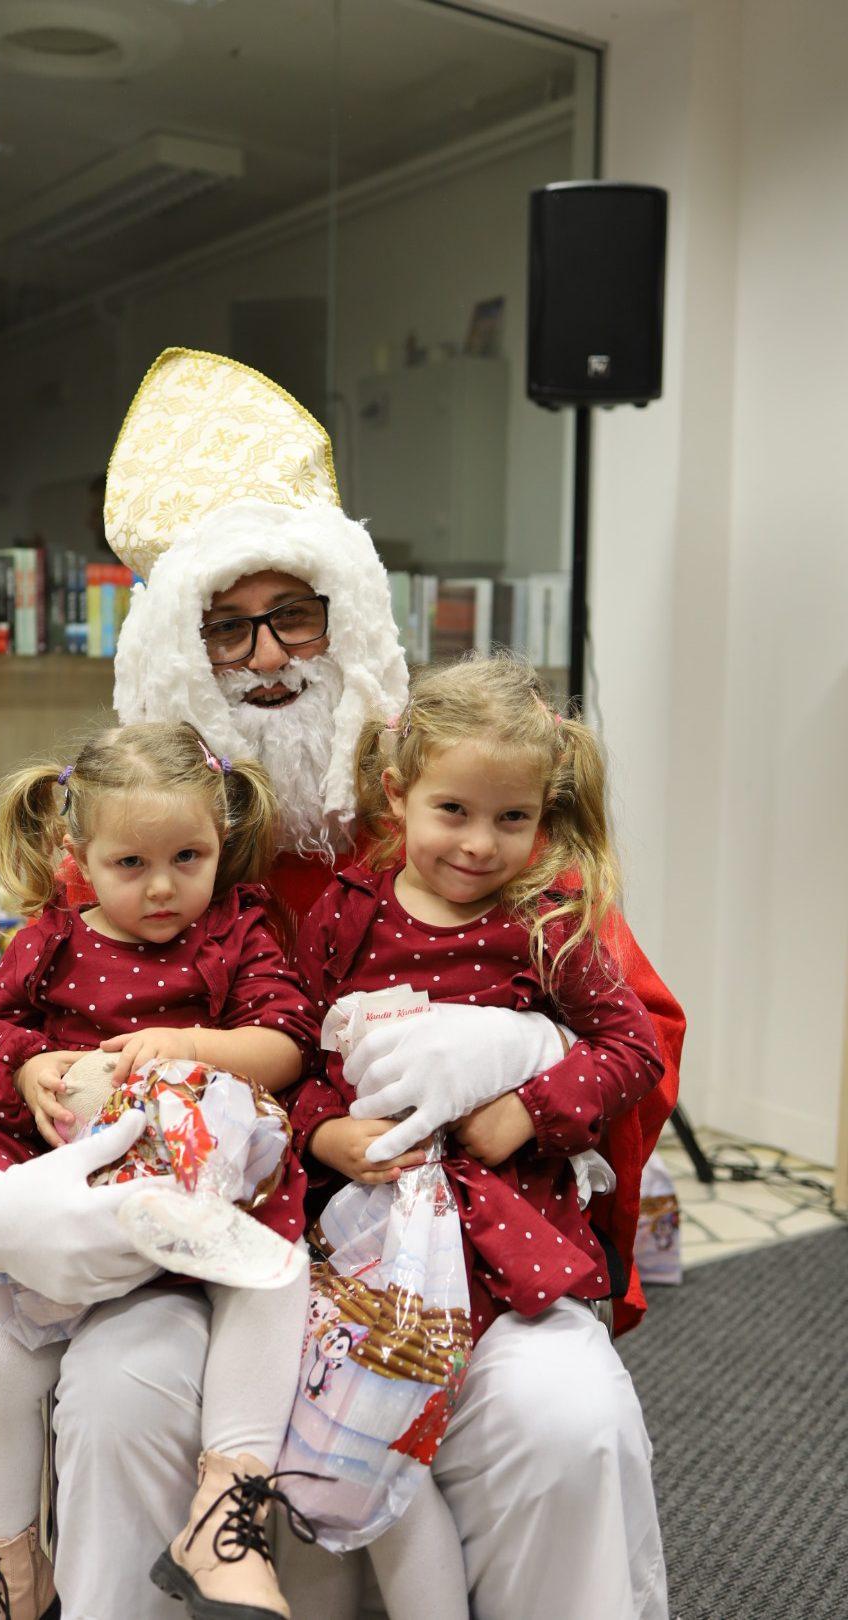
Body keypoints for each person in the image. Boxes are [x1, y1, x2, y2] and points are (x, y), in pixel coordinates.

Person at [0, 350, 683, 1619]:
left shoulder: (456, 828)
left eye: (297, 616)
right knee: (115, 1399)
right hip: (207, 1248)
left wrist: (508, 1062)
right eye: (227, 623)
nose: (266, 656)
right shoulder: (147, 864)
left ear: (350, 623)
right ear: (180, 650)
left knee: (568, 1426)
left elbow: (632, 1026)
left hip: (452, 1241)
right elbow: (12, 1057)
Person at [0, 722, 322, 1620]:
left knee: (276, 1276)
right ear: (76, 853)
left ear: (220, 844)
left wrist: (188, 1044)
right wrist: (26, 1068)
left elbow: (286, 1044)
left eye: (188, 856)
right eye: (132, 864)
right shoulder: (50, 941)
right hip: (83, 1208)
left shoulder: (235, 930)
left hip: (209, 1197)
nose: (164, 887)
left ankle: (224, 1509)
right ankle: (6, 1569)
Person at [286, 652, 667, 1620]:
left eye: (512, 818)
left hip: (506, 1228)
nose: (479, 845)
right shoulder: (344, 918)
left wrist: (525, 1110)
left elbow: (632, 1047)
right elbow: (300, 1066)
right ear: (396, 792)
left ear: (544, 814)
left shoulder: (547, 925)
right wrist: (330, 1140)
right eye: (452, 811)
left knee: (566, 1419)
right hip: (369, 1247)